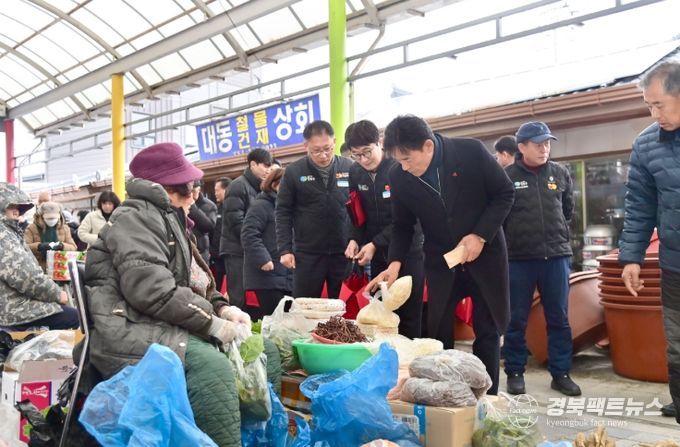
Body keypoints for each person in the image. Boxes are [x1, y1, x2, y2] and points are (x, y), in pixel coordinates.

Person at [85, 142, 253, 446]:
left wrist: (222, 308)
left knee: (259, 349)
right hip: (128, 325)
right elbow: (153, 291)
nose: (193, 196)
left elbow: (196, 281)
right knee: (211, 366)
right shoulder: (136, 218)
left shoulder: (169, 219)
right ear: (164, 189)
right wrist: (212, 324)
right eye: (186, 188)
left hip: (157, 319)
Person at [367, 115, 514, 394]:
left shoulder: (470, 152)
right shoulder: (399, 176)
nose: (404, 167)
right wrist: (394, 264)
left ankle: (486, 399)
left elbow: (504, 193)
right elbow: (402, 225)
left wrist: (480, 235)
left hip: (484, 255)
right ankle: (446, 396)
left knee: (487, 331)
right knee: (438, 332)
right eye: (399, 161)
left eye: (407, 159)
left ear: (428, 146)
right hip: (441, 261)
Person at [619, 61, 680, 422]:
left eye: (659, 105)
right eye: (649, 106)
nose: (654, 114)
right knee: (677, 341)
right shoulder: (646, 144)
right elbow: (639, 206)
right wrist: (631, 257)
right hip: (674, 266)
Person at [502, 121, 580, 396]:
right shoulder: (507, 176)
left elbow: (567, 209)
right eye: (538, 144)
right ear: (521, 147)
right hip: (519, 259)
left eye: (547, 143)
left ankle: (561, 373)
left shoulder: (559, 173)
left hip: (556, 256)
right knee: (516, 319)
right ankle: (515, 372)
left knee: (559, 318)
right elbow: (499, 217)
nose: (544, 148)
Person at [344, 120, 425, 339]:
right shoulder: (355, 172)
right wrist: (354, 239)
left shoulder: (399, 167)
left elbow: (410, 219)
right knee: (383, 314)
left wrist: (374, 242)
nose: (363, 160)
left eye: (367, 152)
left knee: (409, 314)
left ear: (379, 142)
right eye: (356, 155)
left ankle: (410, 356)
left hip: (409, 252)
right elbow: (356, 212)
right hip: (379, 255)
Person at [276, 120, 353, 298]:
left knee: (343, 305)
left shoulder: (349, 167)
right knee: (305, 305)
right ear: (306, 146)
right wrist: (285, 249)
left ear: (334, 142)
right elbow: (283, 212)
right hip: (308, 254)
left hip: (343, 252)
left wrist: (356, 240)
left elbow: (358, 208)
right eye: (316, 150)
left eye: (327, 149)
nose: (323, 155)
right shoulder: (294, 171)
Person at [0, 183, 79, 330]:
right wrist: (56, 294)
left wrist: (61, 246)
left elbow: (73, 246)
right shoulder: (5, 235)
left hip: (15, 299)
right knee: (75, 317)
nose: (17, 212)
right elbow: (24, 276)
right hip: (12, 308)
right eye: (12, 207)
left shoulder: (9, 232)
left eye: (19, 208)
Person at [219, 149, 273, 309]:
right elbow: (235, 221)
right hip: (236, 250)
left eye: (270, 166)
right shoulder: (238, 186)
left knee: (260, 294)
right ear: (253, 164)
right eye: (265, 165)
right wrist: (254, 241)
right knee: (238, 295)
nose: (268, 170)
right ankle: (236, 324)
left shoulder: (261, 187)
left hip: (252, 249)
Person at [241, 168, 292, 320]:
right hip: (268, 274)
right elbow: (248, 233)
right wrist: (262, 259)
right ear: (274, 184)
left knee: (287, 321)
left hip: (287, 274)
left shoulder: (290, 206)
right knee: (273, 320)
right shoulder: (261, 205)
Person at [25, 201, 77, 272]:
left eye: (54, 218)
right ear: (42, 216)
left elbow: (73, 247)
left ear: (59, 216)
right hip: (38, 267)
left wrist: (62, 246)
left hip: (60, 267)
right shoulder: (32, 228)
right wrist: (39, 246)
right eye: (49, 218)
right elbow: (25, 247)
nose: (52, 220)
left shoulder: (64, 228)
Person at [210, 177, 232, 292]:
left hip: (230, 254)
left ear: (226, 190)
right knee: (218, 285)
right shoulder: (217, 208)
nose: (215, 193)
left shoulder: (234, 207)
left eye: (217, 190)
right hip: (217, 254)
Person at [189, 180, 217, 264]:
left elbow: (209, 226)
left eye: (194, 191)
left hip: (201, 251)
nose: (192, 194)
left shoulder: (209, 205)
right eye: (190, 191)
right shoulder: (181, 202)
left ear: (199, 189)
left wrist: (193, 208)